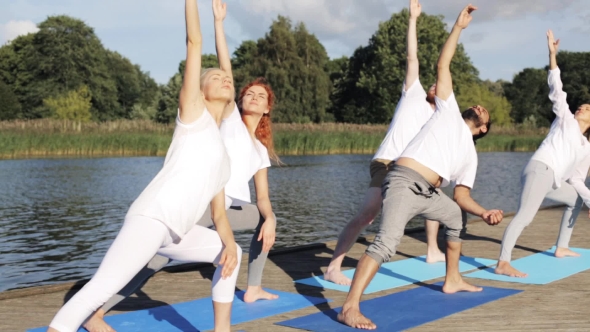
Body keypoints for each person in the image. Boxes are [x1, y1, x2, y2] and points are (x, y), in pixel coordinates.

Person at [82, 2, 280, 331]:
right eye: (250, 93)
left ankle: (254, 285)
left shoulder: (260, 150)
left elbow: (262, 197)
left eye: (262, 96)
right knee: (157, 253)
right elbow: (225, 70)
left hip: (233, 207)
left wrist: (271, 216)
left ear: (268, 109)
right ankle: (96, 312)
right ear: (238, 100)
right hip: (207, 200)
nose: (255, 97)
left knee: (264, 219)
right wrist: (218, 23)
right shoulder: (227, 118)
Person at [46, 1, 241, 331]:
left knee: (229, 255)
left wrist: (230, 244)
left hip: (174, 232)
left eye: (227, 77)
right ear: (201, 91)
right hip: (152, 218)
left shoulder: (221, 154)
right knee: (101, 288)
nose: (225, 78)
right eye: (217, 76)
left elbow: (219, 214)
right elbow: (194, 42)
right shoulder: (193, 117)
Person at [337, 5, 504, 329]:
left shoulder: (470, 155)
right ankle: (349, 307)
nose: (480, 108)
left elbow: (462, 196)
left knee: (457, 217)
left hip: (429, 192)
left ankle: (453, 279)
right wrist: (458, 27)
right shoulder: (447, 109)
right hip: (403, 180)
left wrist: (483, 212)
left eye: (485, 114)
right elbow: (443, 63)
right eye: (479, 107)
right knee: (387, 244)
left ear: (483, 129)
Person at [324, 0, 445, 286]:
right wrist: (413, 19)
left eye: (440, 84)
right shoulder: (412, 94)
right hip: (386, 162)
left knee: (434, 200)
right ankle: (334, 266)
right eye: (433, 82)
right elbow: (412, 58)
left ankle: (432, 250)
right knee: (368, 214)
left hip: (409, 172)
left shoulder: (440, 118)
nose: (434, 84)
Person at [495, 30, 590, 278]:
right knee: (526, 216)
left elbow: (577, 180)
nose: (582, 107)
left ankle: (562, 246)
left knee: (576, 199)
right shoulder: (566, 120)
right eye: (582, 105)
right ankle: (503, 262)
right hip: (540, 169)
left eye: (587, 108)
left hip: (553, 180)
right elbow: (557, 90)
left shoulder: (585, 147)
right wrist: (552, 56)